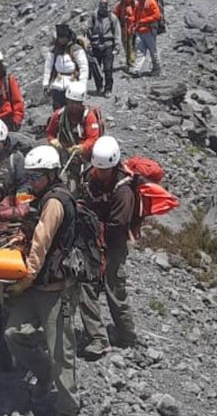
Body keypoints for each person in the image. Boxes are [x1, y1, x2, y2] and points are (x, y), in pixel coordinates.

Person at [3, 145, 79, 416]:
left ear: (51, 174)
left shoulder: (54, 203)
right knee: (14, 333)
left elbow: (41, 242)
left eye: (36, 176)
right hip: (38, 284)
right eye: (30, 176)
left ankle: (68, 408)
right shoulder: (42, 196)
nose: (31, 181)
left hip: (55, 287)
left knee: (61, 351)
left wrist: (26, 277)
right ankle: (44, 375)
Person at [78, 137, 137, 357]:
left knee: (114, 290)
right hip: (92, 244)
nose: (100, 174)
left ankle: (127, 335)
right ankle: (98, 338)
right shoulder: (90, 178)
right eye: (97, 169)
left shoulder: (124, 192)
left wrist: (90, 222)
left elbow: (118, 225)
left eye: (104, 170)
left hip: (113, 246)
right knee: (87, 287)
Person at [46, 81, 102, 193]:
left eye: (77, 103)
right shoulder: (59, 115)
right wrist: (53, 141)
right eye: (71, 102)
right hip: (65, 153)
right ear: (66, 101)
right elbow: (50, 133)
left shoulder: (88, 116)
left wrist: (82, 147)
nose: (74, 106)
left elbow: (93, 138)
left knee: (91, 177)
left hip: (86, 156)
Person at [42, 24, 89, 109]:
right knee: (57, 109)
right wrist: (45, 83)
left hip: (73, 83)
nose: (61, 40)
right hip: (58, 84)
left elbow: (84, 67)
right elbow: (48, 67)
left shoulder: (76, 49)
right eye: (60, 37)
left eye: (63, 37)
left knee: (71, 110)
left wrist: (83, 84)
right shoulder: (54, 50)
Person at [86, 0, 121, 97]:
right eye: (101, 5)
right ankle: (99, 86)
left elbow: (117, 32)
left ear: (107, 6)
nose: (102, 7)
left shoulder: (112, 17)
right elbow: (87, 31)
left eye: (105, 5)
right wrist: (88, 43)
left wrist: (117, 46)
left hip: (108, 45)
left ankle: (108, 88)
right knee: (95, 68)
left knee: (108, 68)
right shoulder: (93, 17)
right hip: (95, 45)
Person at [128, 0, 162, 76]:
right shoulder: (138, 4)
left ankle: (156, 69)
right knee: (140, 51)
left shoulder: (151, 2)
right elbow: (135, 17)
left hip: (149, 31)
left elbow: (157, 15)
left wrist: (144, 20)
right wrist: (132, 24)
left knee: (153, 51)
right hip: (140, 31)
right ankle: (137, 70)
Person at [112, 0, 136, 70]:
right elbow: (114, 14)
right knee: (126, 45)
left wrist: (129, 19)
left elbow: (137, 14)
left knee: (132, 45)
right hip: (123, 28)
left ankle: (132, 61)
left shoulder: (134, 3)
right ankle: (129, 61)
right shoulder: (120, 5)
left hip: (133, 28)